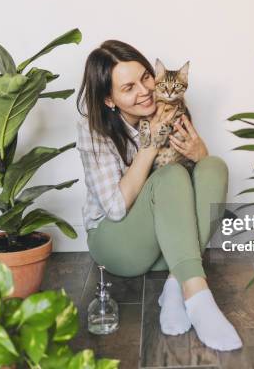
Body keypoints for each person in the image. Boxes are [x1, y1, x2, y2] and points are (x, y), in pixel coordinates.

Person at [75, 40, 242, 351]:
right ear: (109, 99)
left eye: (146, 77)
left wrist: (200, 152)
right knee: (172, 175)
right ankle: (198, 297)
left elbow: (194, 188)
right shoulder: (93, 128)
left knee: (213, 165)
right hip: (118, 245)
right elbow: (114, 208)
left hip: (167, 250)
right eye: (128, 88)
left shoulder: (172, 110)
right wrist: (151, 144)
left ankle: (176, 283)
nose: (145, 90)